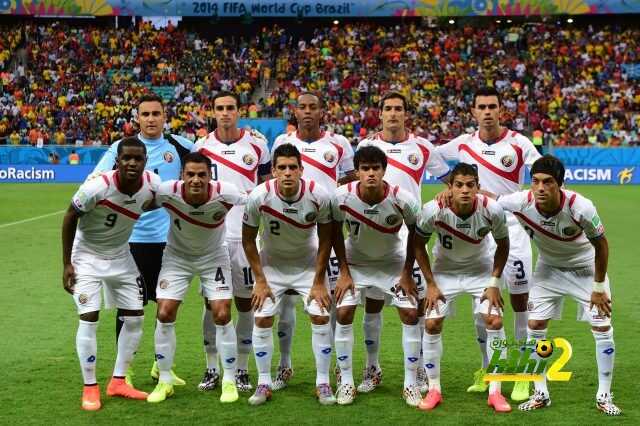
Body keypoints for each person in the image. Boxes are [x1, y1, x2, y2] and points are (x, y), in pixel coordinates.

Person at [436, 86, 541, 401]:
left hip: (514, 229)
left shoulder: (520, 143)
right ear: (473, 111)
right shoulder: (463, 144)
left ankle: (522, 373)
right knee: (482, 308)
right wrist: (451, 189)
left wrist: (503, 199)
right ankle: (489, 370)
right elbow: (432, 157)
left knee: (521, 304)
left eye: (492, 106)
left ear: (501, 110)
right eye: (481, 106)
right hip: (478, 232)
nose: (487, 112)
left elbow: (543, 179)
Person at [496, 155, 621, 416]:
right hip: (548, 269)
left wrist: (598, 286)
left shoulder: (581, 207)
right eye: (536, 182)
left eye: (548, 182)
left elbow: (602, 244)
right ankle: (541, 393)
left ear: (560, 185)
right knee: (535, 326)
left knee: (602, 326)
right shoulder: (520, 202)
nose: (540, 188)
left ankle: (604, 395)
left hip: (586, 270)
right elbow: (487, 201)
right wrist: (447, 194)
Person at [93, 92, 194, 386]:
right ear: (137, 118)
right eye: (145, 114)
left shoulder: (180, 146)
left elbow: (207, 168)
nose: (151, 119)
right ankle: (126, 369)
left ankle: (161, 367)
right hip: (131, 241)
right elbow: (95, 181)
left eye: (156, 114)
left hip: (170, 242)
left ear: (165, 117)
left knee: (167, 306)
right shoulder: (120, 148)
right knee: (129, 307)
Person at [356, 92, 450, 393]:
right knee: (372, 303)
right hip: (374, 235)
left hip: (411, 235)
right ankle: (372, 368)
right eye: (388, 109)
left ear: (405, 114)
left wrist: (446, 194)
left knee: (416, 306)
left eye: (398, 109)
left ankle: (421, 368)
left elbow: (449, 179)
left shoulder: (423, 147)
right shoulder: (367, 147)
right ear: (380, 114)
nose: (393, 114)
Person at [61, 137, 160, 411]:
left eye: (137, 158)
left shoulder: (151, 184)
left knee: (135, 317)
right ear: (117, 161)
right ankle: (90, 387)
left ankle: (118, 382)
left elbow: (155, 201)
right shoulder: (97, 186)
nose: (131, 162)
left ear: (144, 161)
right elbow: (70, 216)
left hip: (121, 256)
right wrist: (67, 263)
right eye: (126, 158)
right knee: (89, 317)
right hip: (87, 257)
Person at [270, 91, 356, 390]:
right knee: (284, 306)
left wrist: (328, 201)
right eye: (302, 107)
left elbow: (349, 179)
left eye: (313, 107)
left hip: (326, 232)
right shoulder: (282, 143)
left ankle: (330, 367)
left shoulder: (339, 144)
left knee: (328, 303)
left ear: (323, 111)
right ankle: (284, 364)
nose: (307, 112)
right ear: (295, 111)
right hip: (288, 231)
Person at [145, 153, 247, 404]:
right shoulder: (168, 192)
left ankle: (229, 380)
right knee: (164, 312)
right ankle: (165, 380)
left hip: (214, 257)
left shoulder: (226, 192)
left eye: (201, 174)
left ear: (210, 176)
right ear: (182, 176)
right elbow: (140, 199)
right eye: (190, 174)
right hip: (177, 258)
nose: (196, 180)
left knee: (222, 313)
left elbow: (255, 200)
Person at [242, 143, 335, 405]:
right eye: (281, 168)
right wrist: (260, 280)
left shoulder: (319, 195)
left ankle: (323, 382)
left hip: (308, 266)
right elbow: (248, 240)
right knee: (261, 319)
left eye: (292, 167)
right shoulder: (259, 196)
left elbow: (326, 239)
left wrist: (318, 281)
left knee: (320, 316)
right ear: (273, 171)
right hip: (271, 266)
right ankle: (263, 383)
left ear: (301, 170)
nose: (287, 173)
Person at [414, 162, 512, 412]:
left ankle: (495, 391)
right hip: (444, 272)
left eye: (470, 185)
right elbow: (417, 245)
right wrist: (431, 284)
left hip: (480, 271)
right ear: (450, 187)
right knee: (432, 323)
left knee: (495, 321)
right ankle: (434, 389)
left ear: (479, 187)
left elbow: (503, 245)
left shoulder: (492, 209)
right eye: (459, 185)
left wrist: (493, 283)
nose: (465, 190)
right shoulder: (433, 210)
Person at [332, 145, 422, 406]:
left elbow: (417, 235)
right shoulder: (341, 197)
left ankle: (410, 383)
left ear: (384, 171)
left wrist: (406, 272)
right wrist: (344, 271)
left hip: (392, 261)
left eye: (375, 168)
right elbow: (334, 232)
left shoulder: (402, 199)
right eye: (365, 168)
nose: (370, 173)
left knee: (409, 313)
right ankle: (349, 380)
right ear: (357, 171)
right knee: (344, 312)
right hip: (356, 261)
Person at [196, 91, 271, 392]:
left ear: (239, 111)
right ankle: (211, 366)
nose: (225, 113)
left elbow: (266, 187)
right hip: (212, 236)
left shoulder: (258, 145)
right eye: (219, 108)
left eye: (230, 108)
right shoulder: (201, 147)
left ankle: (241, 368)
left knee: (245, 303)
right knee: (212, 303)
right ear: (212, 112)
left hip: (246, 237)